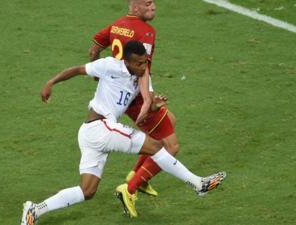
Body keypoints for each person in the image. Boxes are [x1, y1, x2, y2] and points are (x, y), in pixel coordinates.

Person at [20, 41, 226, 225]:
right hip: (100, 127)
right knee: (156, 147)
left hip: (94, 133)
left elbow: (148, 102)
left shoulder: (143, 76)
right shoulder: (110, 65)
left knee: (87, 191)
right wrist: (50, 83)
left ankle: (35, 210)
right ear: (127, 62)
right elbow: (77, 70)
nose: (144, 66)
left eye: (145, 62)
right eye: (139, 63)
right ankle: (198, 184)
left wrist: (154, 106)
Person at [89, 0, 182, 215]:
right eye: (148, 3)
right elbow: (143, 68)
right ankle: (128, 190)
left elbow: (94, 47)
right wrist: (148, 100)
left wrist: (97, 72)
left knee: (170, 121)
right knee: (171, 146)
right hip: (136, 96)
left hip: (120, 94)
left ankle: (136, 176)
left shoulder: (116, 25)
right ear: (135, 5)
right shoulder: (146, 31)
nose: (154, 6)